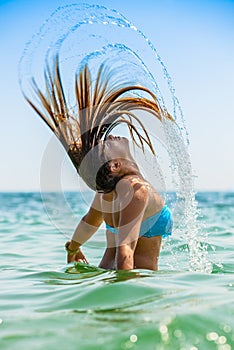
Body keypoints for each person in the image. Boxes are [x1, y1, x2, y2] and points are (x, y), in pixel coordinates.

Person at [25, 55, 173, 271]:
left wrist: (73, 248)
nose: (109, 138)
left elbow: (90, 221)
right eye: (106, 145)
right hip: (132, 284)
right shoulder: (135, 190)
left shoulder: (106, 193)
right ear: (115, 166)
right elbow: (125, 252)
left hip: (107, 274)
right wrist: (127, 295)